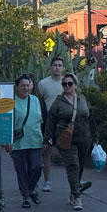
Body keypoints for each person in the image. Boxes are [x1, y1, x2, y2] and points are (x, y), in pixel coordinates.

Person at [45, 73, 97, 211]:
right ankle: (77, 197)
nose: (67, 86)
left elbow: (90, 118)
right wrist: (48, 139)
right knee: (73, 165)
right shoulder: (58, 102)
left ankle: (73, 191)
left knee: (79, 166)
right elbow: (50, 121)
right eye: (64, 84)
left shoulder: (82, 99)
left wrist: (95, 136)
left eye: (70, 84)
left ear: (75, 85)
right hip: (65, 138)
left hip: (84, 137)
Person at [5, 75, 44, 208]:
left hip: (35, 140)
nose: (26, 88)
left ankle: (32, 188)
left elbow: (40, 119)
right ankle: (26, 197)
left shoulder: (35, 100)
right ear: (17, 87)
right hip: (18, 142)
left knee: (37, 166)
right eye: (23, 85)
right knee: (21, 170)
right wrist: (7, 141)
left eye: (28, 85)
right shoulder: (11, 102)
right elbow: (6, 123)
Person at [37, 56, 66, 192]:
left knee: (68, 151)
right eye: (55, 65)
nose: (57, 68)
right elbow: (39, 102)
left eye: (60, 65)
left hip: (64, 122)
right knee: (46, 152)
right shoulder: (43, 84)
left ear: (63, 68)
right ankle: (47, 181)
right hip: (48, 122)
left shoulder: (68, 83)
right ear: (51, 67)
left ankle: (74, 180)